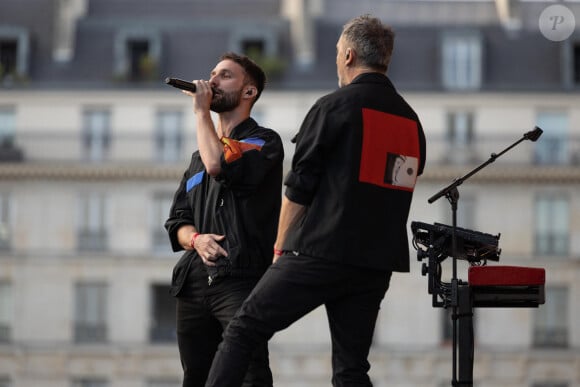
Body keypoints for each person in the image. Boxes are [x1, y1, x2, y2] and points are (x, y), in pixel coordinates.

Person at [204, 15, 427, 387]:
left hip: (321, 250)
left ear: (350, 55)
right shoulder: (410, 121)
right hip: (375, 263)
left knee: (243, 330)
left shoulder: (333, 107)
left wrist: (280, 249)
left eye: (338, 53)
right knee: (351, 367)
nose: (337, 60)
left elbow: (299, 187)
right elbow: (403, 181)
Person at [164, 52, 284, 387]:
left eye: (225, 76)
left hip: (240, 277)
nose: (212, 81)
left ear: (249, 92)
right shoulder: (197, 159)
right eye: (212, 74)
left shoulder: (264, 142)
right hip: (194, 282)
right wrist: (196, 239)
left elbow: (221, 165)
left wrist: (201, 112)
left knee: (249, 373)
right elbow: (178, 220)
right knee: (197, 377)